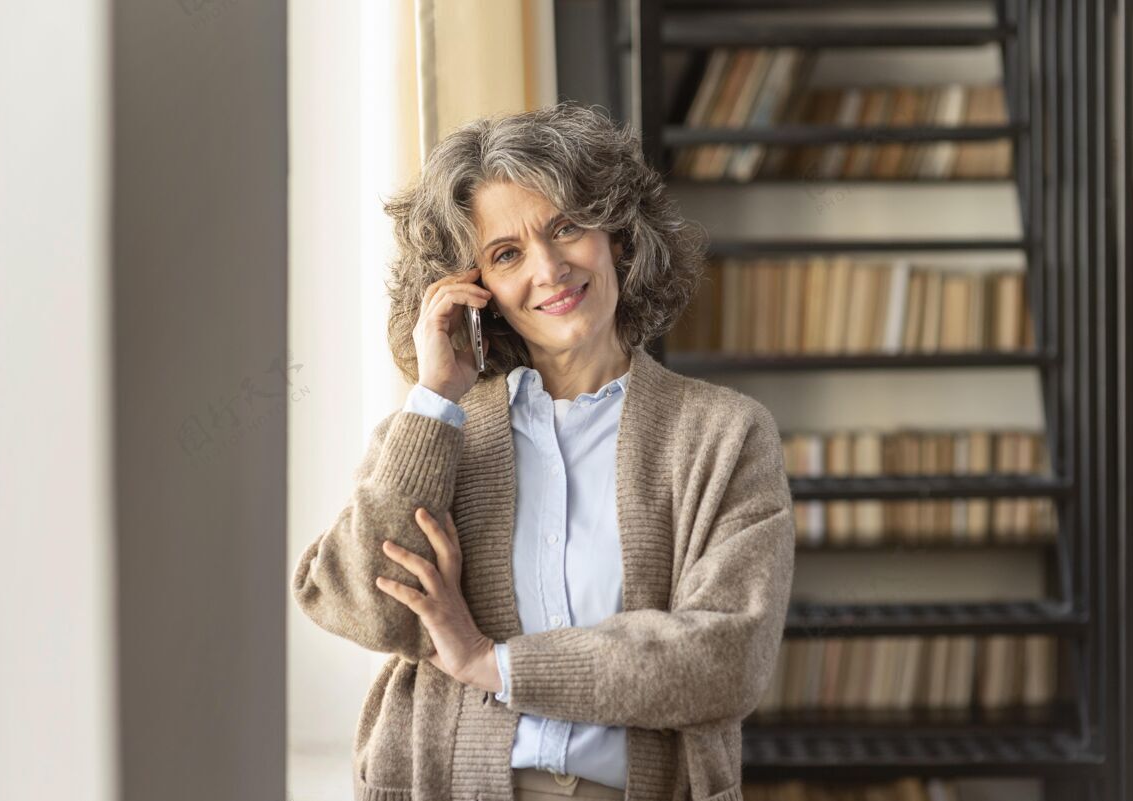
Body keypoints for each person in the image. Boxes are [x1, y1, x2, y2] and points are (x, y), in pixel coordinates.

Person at [291, 101, 796, 801]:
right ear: (479, 292)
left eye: (567, 228)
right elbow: (355, 604)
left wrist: (491, 661)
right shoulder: (435, 431)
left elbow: (725, 659)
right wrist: (437, 393)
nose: (549, 269)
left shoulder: (724, 435)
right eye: (506, 254)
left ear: (618, 236)